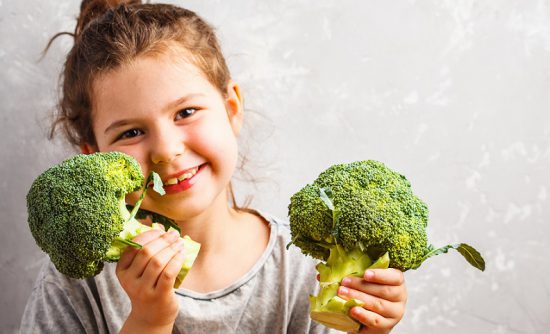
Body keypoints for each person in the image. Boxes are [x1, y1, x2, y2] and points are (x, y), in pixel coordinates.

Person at [21, 1, 407, 333]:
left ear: (232, 108)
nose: (166, 151)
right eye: (131, 132)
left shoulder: (306, 267)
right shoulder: (76, 283)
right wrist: (149, 321)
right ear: (95, 159)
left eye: (186, 112)